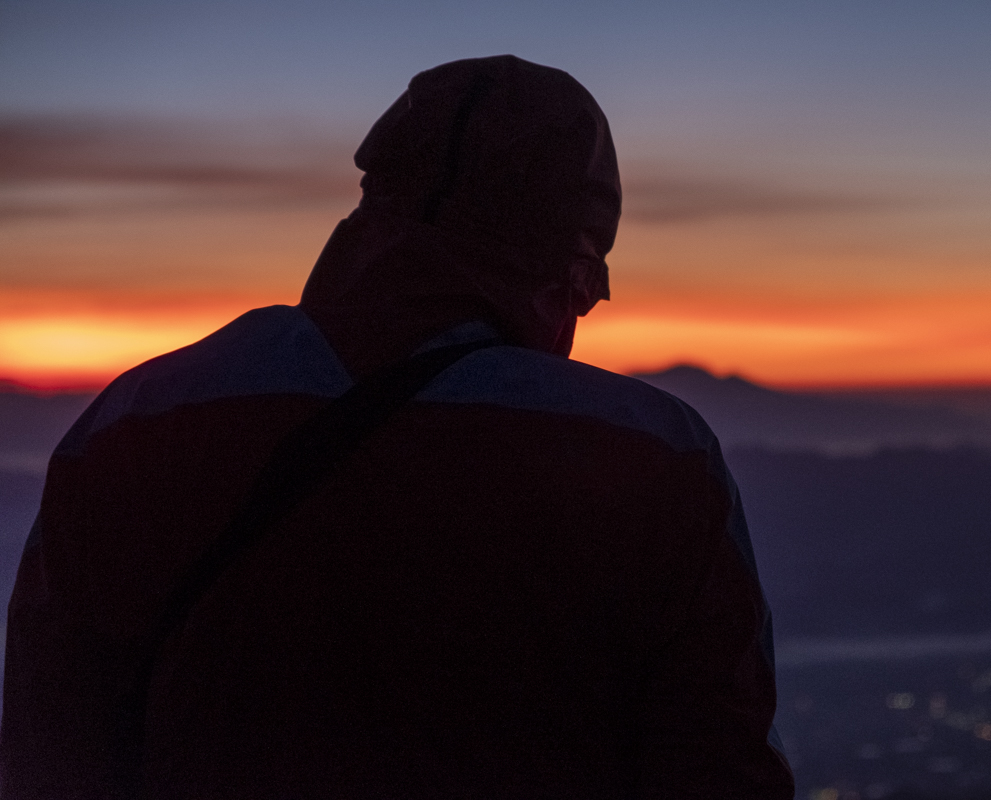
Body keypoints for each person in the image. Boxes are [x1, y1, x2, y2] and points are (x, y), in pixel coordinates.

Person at [1, 55, 794, 799]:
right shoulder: (650, 457)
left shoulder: (141, 422)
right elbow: (717, 764)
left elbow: (49, 737)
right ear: (567, 270)